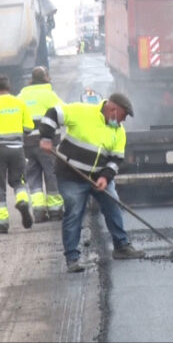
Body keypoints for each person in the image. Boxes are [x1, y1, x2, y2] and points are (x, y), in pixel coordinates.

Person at [38, 92, 145, 272]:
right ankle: (72, 258)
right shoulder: (81, 111)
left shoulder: (118, 132)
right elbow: (52, 114)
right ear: (112, 109)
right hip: (71, 176)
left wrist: (104, 177)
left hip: (98, 177)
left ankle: (122, 246)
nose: (123, 121)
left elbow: (116, 160)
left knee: (113, 204)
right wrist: (46, 138)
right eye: (123, 115)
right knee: (74, 211)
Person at [18, 66, 65, 222]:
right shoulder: (49, 94)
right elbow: (64, 112)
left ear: (31, 79)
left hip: (27, 145)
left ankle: (38, 212)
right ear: (46, 77)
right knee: (52, 175)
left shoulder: (22, 95)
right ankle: (55, 211)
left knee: (33, 176)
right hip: (47, 144)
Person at [0, 74, 34, 233]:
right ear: (9, 87)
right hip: (16, 149)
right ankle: (22, 200)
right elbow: (29, 128)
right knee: (19, 180)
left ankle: (2, 222)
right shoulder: (19, 102)